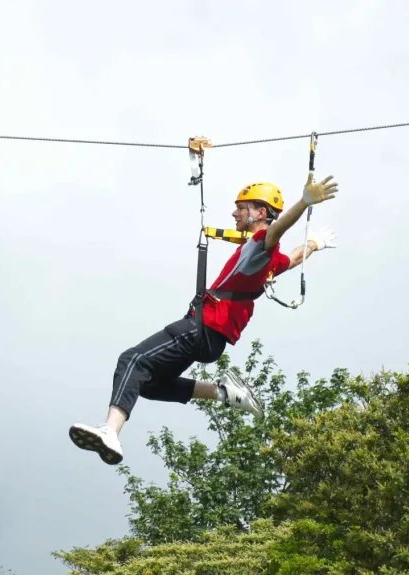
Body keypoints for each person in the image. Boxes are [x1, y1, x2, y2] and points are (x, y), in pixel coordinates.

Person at [69, 171, 340, 465]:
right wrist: (314, 244)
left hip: (202, 328)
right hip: (211, 340)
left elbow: (276, 232)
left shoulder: (259, 246)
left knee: (133, 360)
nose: (234, 212)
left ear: (261, 213)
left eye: (241, 207)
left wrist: (303, 202)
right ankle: (223, 393)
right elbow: (296, 257)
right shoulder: (270, 260)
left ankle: (110, 431)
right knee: (147, 384)